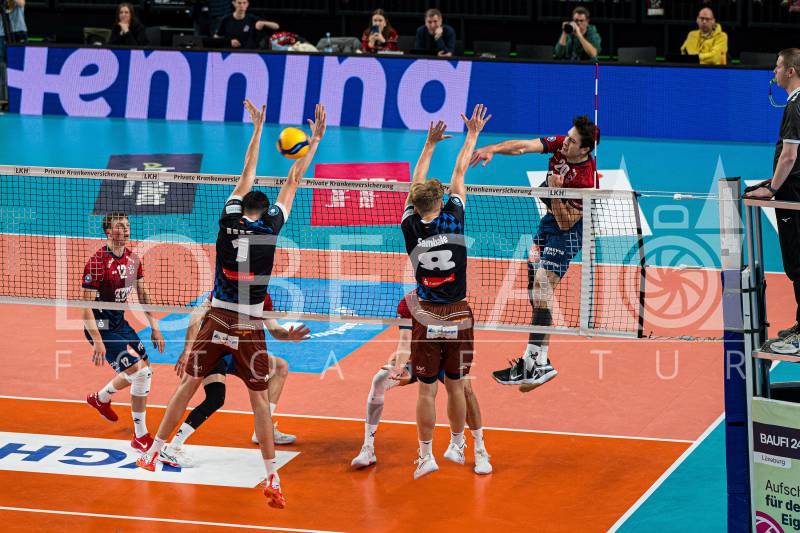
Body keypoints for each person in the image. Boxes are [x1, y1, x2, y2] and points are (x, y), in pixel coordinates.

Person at [137, 100, 326, 511]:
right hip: (250, 324)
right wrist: (314, 142)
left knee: (187, 386)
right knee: (259, 402)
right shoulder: (272, 227)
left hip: (217, 316)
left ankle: (152, 453)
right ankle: (273, 478)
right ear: (266, 212)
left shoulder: (227, 220)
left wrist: (257, 128)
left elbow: (246, 173)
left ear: (242, 207)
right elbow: (293, 179)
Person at [470, 116, 600, 391]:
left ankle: (532, 363)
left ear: (585, 149)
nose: (566, 142)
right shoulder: (561, 145)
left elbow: (567, 222)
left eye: (573, 141)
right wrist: (492, 149)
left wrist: (553, 190)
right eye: (567, 136)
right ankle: (541, 361)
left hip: (571, 229)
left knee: (542, 286)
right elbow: (524, 146)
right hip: (550, 220)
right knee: (536, 291)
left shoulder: (585, 180)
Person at [401, 105, 491, 479]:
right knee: (457, 386)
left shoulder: (409, 224)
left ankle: (426, 456)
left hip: (425, 313)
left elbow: (416, 183)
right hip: (457, 312)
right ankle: (458, 444)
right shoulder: (454, 216)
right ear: (440, 202)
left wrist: (429, 144)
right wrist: (472, 134)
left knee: (426, 390)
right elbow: (459, 173)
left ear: (416, 204)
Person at [351, 288, 492, 474]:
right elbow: (405, 342)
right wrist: (399, 366)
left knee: (466, 390)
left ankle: (480, 450)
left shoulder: (452, 299)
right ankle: (368, 449)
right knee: (379, 381)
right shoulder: (409, 302)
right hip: (420, 359)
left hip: (446, 360)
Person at [163, 293, 310, 467]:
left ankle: (263, 430)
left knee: (280, 367)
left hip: (241, 352)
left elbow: (275, 329)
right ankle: (173, 447)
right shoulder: (225, 289)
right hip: (216, 349)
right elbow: (196, 315)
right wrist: (189, 349)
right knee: (215, 398)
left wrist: (288, 335)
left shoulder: (262, 296)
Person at [83, 212, 165, 452]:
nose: (126, 229)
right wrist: (98, 341)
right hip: (101, 327)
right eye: (120, 226)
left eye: (127, 225)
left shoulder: (132, 260)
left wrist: (155, 327)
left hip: (119, 323)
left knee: (145, 368)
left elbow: (143, 294)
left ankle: (101, 398)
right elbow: (85, 308)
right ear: (109, 232)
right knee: (141, 373)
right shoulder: (97, 263)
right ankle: (140, 435)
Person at [744, 48, 800, 344]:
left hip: (793, 196)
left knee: (797, 263)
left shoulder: (795, 106)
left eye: (778, 67)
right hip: (794, 190)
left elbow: (789, 156)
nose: (774, 72)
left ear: (790, 71)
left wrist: (772, 188)